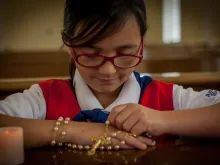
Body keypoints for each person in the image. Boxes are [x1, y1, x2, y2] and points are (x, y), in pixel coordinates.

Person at [0, 0, 220, 151]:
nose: (108, 71)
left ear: (141, 45)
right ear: (70, 47)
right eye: (92, 54)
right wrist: (71, 131)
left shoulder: (168, 97)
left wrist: (162, 119)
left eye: (125, 53)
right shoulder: (44, 97)